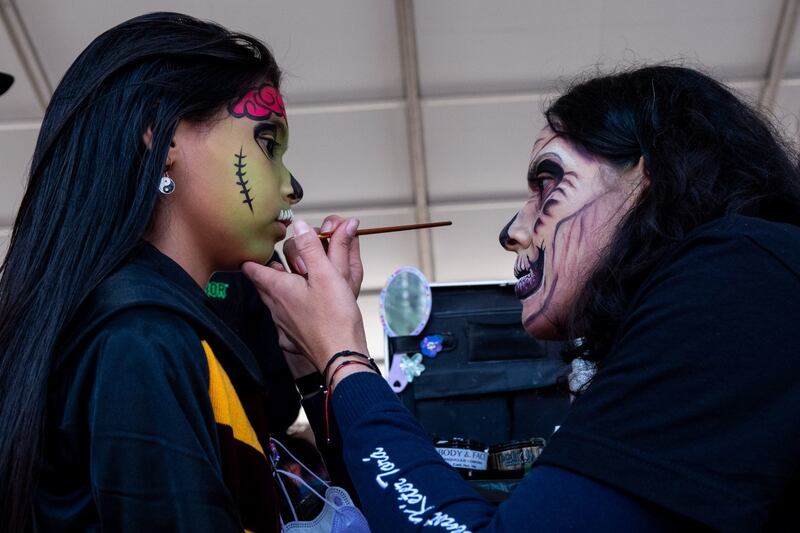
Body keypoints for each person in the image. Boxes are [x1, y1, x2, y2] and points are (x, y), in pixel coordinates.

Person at [245, 65, 800, 531]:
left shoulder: (741, 272)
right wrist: (320, 369)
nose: (513, 228)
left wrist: (345, 359)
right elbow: (405, 517)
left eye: (546, 181)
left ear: (647, 176)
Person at [0, 12, 355, 532]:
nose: (292, 187)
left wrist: (316, 362)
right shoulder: (140, 339)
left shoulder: (152, 331)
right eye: (267, 143)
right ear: (163, 139)